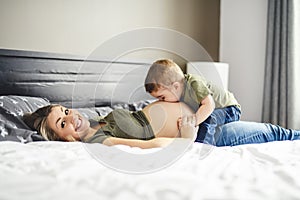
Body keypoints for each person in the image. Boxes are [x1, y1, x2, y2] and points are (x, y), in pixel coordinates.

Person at [23, 101, 300, 149]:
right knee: (276, 133)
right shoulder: (100, 140)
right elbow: (149, 144)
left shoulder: (99, 123)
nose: (72, 117)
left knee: (277, 132)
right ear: (64, 139)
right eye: (62, 123)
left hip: (196, 123)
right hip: (202, 135)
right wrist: (187, 138)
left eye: (66, 111)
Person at [144, 59, 241, 144]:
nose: (161, 101)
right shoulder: (178, 93)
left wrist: (194, 121)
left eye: (162, 97)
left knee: (209, 118)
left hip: (229, 109)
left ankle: (203, 146)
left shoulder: (195, 84)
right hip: (219, 108)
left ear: (176, 87)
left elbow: (209, 105)